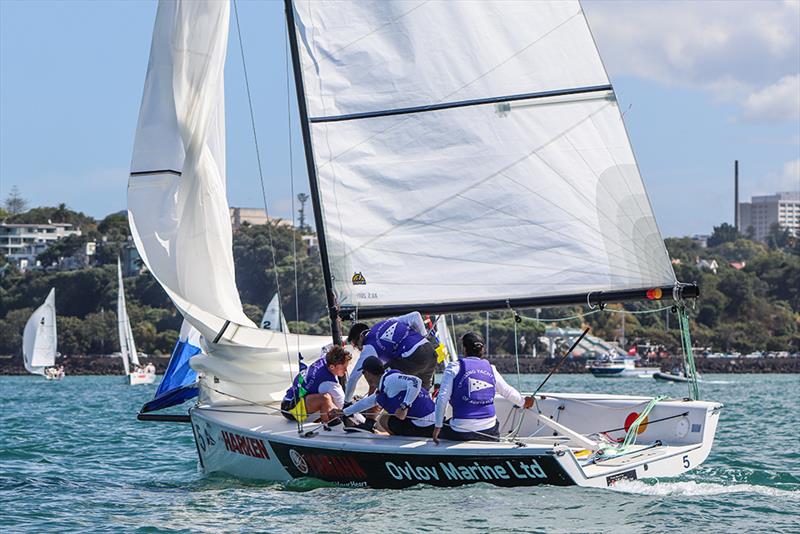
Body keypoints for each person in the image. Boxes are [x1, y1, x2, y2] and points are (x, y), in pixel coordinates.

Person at [432, 332, 534, 444]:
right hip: (489, 431)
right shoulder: (491, 368)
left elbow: (442, 398)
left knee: (442, 427)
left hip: (461, 432)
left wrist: (438, 426)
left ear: (464, 349)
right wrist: (524, 402)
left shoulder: (454, 367)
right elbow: (507, 391)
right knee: (492, 423)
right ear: (482, 350)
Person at [344, 311, 437, 403]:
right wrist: (423, 337)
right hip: (430, 353)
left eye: (356, 345)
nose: (358, 349)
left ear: (361, 337)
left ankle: (374, 411)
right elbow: (416, 316)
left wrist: (347, 402)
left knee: (378, 375)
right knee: (422, 395)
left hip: (411, 358)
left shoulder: (369, 346)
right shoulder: (389, 321)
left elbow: (353, 378)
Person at [334, 356, 435, 438]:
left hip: (426, 425)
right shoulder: (384, 388)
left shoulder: (391, 380)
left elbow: (416, 381)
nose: (364, 376)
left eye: (363, 372)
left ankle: (398, 442)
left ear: (368, 373)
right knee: (385, 418)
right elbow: (367, 402)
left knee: (384, 419)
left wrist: (404, 406)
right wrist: (343, 412)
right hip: (425, 423)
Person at [281, 346, 352, 424]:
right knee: (326, 398)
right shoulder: (329, 383)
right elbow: (342, 406)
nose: (346, 371)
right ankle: (329, 425)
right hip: (290, 410)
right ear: (332, 367)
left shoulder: (325, 359)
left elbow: (326, 350)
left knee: (329, 398)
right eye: (343, 368)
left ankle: (321, 418)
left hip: (289, 400)